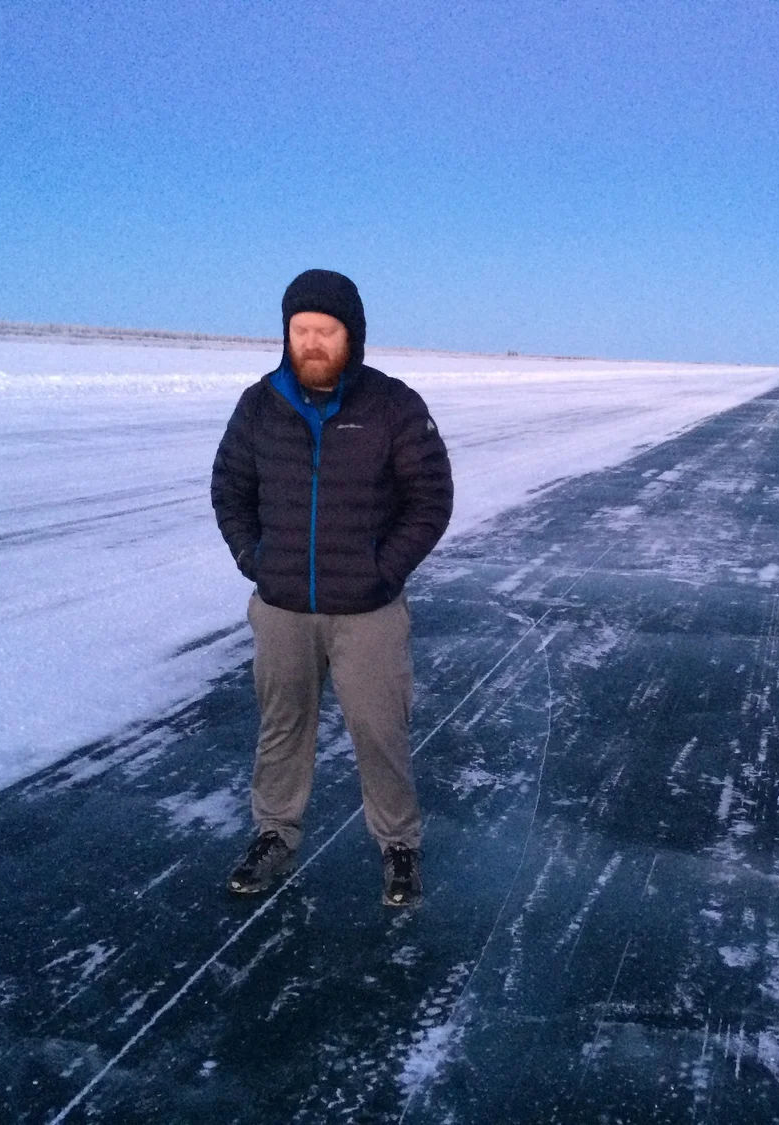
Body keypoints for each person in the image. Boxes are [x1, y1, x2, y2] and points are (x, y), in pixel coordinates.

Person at [210, 269, 453, 905]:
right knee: (282, 728)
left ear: (353, 335)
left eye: (326, 330)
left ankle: (398, 844)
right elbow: (230, 490)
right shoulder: (259, 405)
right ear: (285, 333)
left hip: (367, 611)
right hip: (282, 607)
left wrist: (383, 569)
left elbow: (430, 500)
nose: (312, 342)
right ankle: (274, 834)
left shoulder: (392, 405)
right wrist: (256, 560)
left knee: (380, 730)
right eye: (301, 330)